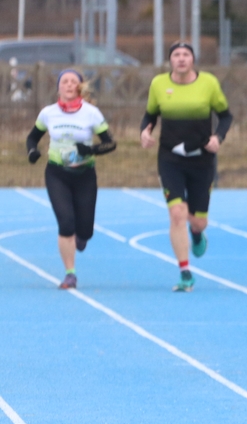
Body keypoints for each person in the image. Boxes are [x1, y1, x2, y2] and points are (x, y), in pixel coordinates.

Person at [139, 42, 232, 292]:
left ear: (193, 60)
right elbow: (150, 115)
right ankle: (185, 272)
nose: (181, 59)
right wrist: (145, 131)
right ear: (170, 60)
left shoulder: (208, 83)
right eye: (176, 55)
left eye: (186, 55)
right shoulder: (159, 84)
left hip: (202, 159)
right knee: (177, 213)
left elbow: (226, 116)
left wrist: (218, 138)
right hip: (170, 159)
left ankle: (197, 234)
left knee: (198, 221)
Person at [27, 69, 117, 289]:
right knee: (66, 223)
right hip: (57, 174)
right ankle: (70, 274)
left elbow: (110, 143)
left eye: (73, 81)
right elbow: (32, 137)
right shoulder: (48, 113)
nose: (68, 84)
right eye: (64, 81)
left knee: (85, 231)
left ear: (80, 87)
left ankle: (82, 235)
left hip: (85, 175)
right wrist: (32, 152)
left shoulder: (91, 113)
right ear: (58, 87)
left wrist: (91, 150)